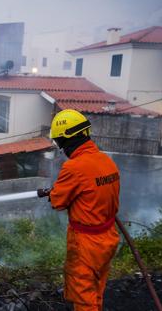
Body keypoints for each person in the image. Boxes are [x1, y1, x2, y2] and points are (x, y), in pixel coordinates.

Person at [37, 109, 120, 311]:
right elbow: (91, 192)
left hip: (86, 243)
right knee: (96, 288)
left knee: (83, 297)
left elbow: (58, 202)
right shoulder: (106, 161)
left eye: (59, 142)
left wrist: (54, 193)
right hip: (108, 237)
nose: (60, 147)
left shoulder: (74, 167)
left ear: (67, 139)